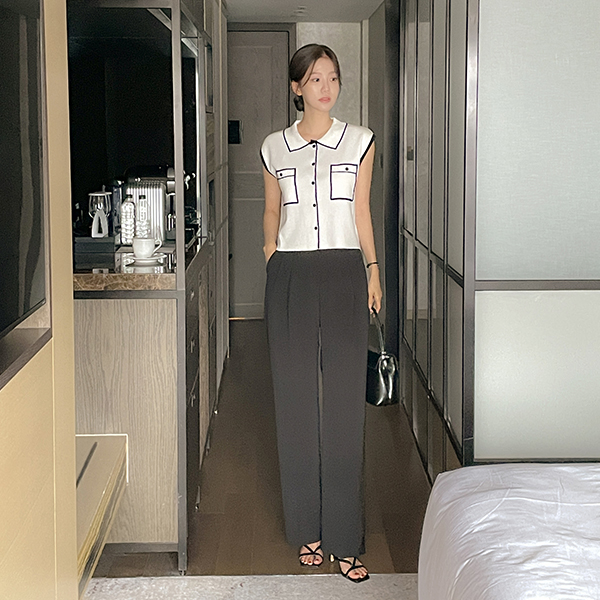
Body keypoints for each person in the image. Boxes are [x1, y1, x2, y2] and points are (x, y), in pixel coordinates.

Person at [260, 43, 382, 584]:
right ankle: (306, 528)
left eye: (332, 77)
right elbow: (271, 209)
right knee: (293, 400)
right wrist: (271, 254)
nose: (326, 87)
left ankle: (344, 538)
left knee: (344, 404)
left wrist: (372, 270)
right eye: (315, 78)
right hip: (290, 273)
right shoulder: (274, 147)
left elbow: (361, 209)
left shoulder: (360, 141)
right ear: (297, 87)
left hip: (343, 271)